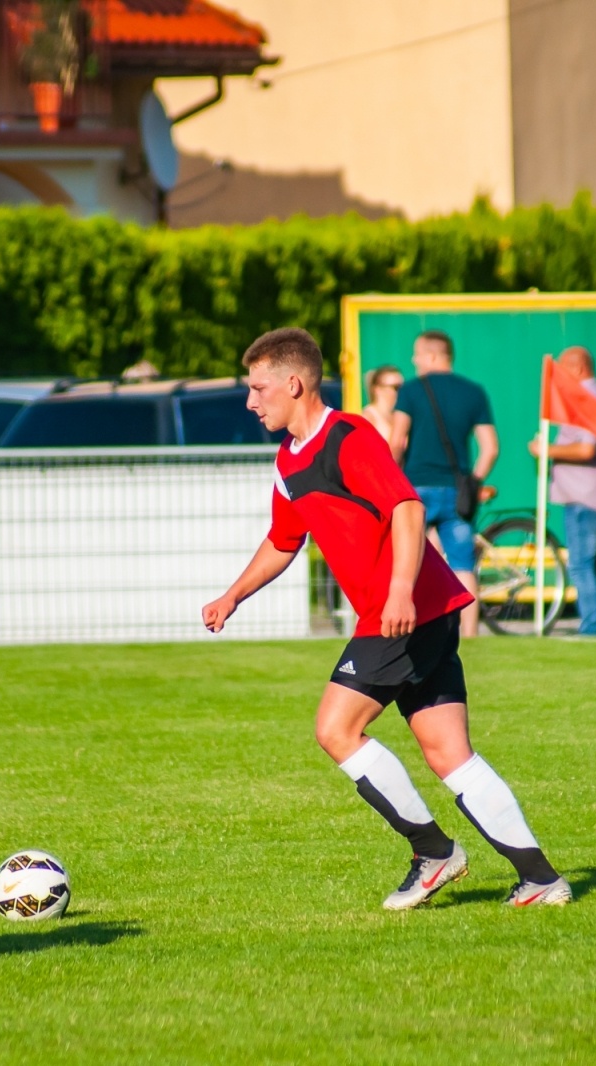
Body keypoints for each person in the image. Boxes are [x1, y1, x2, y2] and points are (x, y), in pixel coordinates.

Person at [204, 328, 570, 910]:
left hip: (403, 613)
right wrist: (233, 596)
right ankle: (541, 878)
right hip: (418, 611)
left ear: (292, 383)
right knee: (449, 752)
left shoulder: (349, 436)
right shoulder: (288, 459)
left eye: (258, 387)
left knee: (336, 729)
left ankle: (433, 853)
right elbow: (282, 539)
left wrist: (399, 592)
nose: (251, 401)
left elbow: (407, 506)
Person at [389, 331, 498, 638]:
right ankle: (472, 634)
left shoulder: (410, 391)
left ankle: (420, 631)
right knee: (463, 563)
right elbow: (490, 448)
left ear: (433, 356)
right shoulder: (474, 392)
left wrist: (392, 475)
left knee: (412, 558)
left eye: (418, 354)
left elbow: (397, 441)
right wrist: (473, 482)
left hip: (416, 490)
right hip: (456, 492)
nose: (414, 360)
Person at [528, 346, 596, 636]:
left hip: (585, 495)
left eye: (563, 372)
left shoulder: (589, 398)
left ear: (578, 369)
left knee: (581, 565)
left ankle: (591, 627)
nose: (558, 380)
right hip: (593, 493)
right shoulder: (595, 395)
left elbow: (585, 447)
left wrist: (547, 450)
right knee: (592, 565)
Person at [362, 365, 404, 441]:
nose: (401, 392)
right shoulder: (368, 417)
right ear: (378, 389)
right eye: (396, 387)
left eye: (403, 387)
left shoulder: (398, 415)